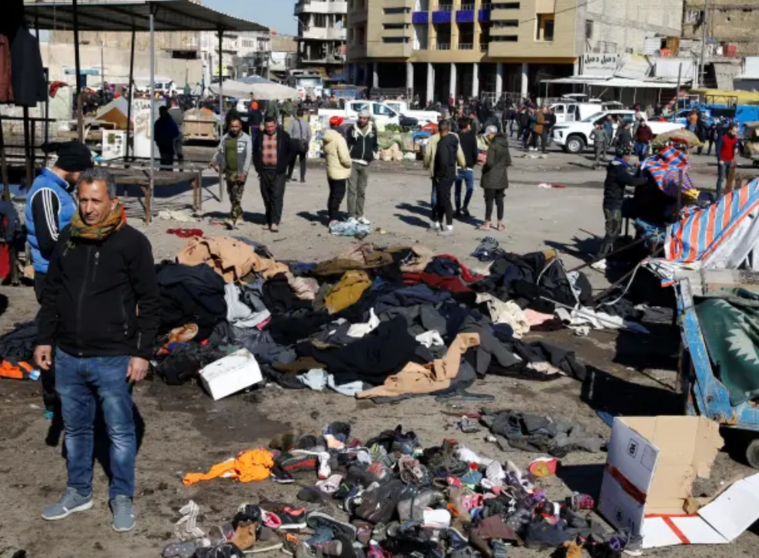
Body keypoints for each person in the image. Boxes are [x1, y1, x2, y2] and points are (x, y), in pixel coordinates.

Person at [36, 168, 160, 532]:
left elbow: (150, 302)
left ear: (112, 202)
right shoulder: (69, 239)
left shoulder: (133, 243)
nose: (88, 208)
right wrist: (45, 338)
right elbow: (52, 295)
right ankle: (78, 492)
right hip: (69, 355)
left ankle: (122, 497)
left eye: (95, 200)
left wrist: (142, 352)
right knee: (75, 430)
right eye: (83, 200)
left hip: (113, 355)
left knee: (120, 432)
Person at [25, 141, 94, 417]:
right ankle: (53, 401)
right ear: (74, 167)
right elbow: (49, 240)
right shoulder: (45, 191)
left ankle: (70, 395)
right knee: (55, 339)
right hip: (52, 277)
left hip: (66, 274)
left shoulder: (59, 190)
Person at [593, 144, 648, 270]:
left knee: (616, 231)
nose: (630, 158)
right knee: (612, 232)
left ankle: (608, 256)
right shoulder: (617, 169)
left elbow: (630, 175)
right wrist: (645, 180)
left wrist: (637, 170)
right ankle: (599, 258)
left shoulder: (618, 165)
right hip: (612, 204)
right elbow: (631, 181)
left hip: (614, 202)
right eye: (629, 155)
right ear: (625, 156)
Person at [210, 115, 252, 228]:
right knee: (231, 194)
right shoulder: (226, 137)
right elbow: (220, 150)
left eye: (236, 126)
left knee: (237, 195)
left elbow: (248, 157)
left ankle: (232, 218)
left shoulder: (246, 139)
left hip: (240, 172)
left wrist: (244, 173)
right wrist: (214, 160)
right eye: (232, 126)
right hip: (228, 171)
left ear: (240, 126)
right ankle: (240, 214)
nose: (234, 128)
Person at [253, 116, 294, 232]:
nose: (269, 129)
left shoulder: (283, 136)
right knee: (266, 196)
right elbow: (255, 152)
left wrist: (283, 165)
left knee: (276, 195)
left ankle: (275, 222)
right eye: (267, 127)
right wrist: (258, 168)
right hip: (264, 171)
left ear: (275, 125)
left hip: (278, 171)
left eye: (271, 126)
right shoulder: (260, 136)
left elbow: (291, 151)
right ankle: (268, 220)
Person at [424, 120, 465, 236]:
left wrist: (438, 176)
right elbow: (459, 154)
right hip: (451, 173)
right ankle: (436, 222)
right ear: (449, 128)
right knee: (441, 200)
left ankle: (449, 227)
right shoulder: (454, 139)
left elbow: (442, 161)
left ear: (438, 129)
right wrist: (463, 165)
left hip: (443, 175)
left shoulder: (441, 143)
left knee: (444, 200)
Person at [346, 109, 378, 224]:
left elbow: (375, 144)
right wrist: (350, 152)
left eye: (364, 118)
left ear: (368, 119)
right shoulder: (352, 129)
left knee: (362, 191)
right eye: (360, 118)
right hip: (353, 162)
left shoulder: (373, 129)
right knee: (351, 190)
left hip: (366, 164)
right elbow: (347, 143)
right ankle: (351, 215)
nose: (362, 120)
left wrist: (373, 153)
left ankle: (360, 215)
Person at [478, 125, 511, 232]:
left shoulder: (493, 145)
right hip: (502, 177)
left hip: (490, 177)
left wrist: (483, 165)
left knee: (489, 200)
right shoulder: (505, 144)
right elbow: (508, 161)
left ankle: (487, 224)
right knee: (500, 200)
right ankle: (500, 225)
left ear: (491, 134)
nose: (487, 138)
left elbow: (490, 162)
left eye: (488, 135)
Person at [323, 116, 352, 226]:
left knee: (333, 194)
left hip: (331, 169)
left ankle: (331, 216)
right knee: (338, 195)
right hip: (339, 171)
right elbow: (344, 158)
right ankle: (333, 218)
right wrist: (350, 163)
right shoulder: (339, 139)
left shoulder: (327, 137)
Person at [454, 117, 479, 218]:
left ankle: (457, 210)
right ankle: (465, 206)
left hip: (457, 166)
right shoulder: (472, 136)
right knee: (470, 188)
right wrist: (473, 163)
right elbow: (474, 152)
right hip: (469, 167)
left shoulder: (456, 137)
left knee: (457, 191)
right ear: (467, 125)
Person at [716, 123, 740, 198]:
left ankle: (727, 194)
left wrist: (736, 148)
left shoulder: (735, 138)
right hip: (723, 160)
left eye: (736, 132)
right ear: (729, 130)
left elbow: (736, 145)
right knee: (721, 178)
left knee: (729, 178)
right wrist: (720, 159)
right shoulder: (723, 137)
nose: (735, 133)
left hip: (730, 160)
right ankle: (718, 195)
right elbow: (718, 150)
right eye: (733, 131)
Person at [287, 108, 311, 183]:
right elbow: (309, 134)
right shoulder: (306, 123)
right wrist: (307, 142)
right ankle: (302, 178)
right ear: (303, 115)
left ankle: (289, 176)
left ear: (296, 115)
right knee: (302, 161)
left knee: (292, 160)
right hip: (303, 143)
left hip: (294, 142)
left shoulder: (293, 122)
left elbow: (288, 132)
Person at [167, 98, 185, 163]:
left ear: (172, 103)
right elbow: (182, 120)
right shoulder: (181, 111)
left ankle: (172, 162)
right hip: (180, 132)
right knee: (179, 147)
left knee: (172, 147)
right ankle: (181, 161)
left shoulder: (169, 111)